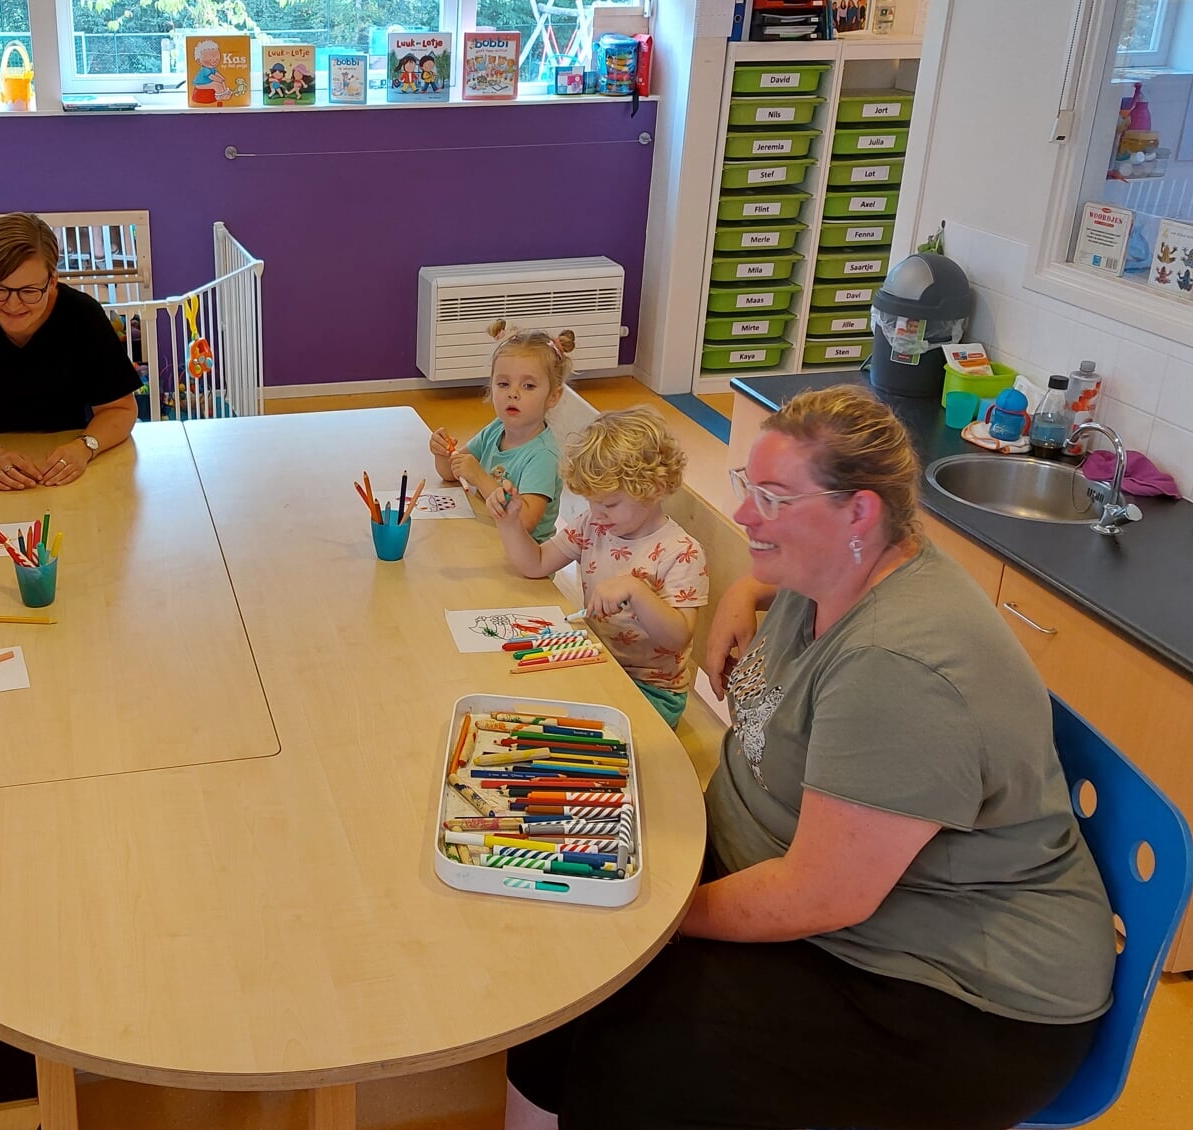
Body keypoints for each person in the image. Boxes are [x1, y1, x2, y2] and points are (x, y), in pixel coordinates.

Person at [505, 386, 1114, 1130]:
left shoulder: (899, 667)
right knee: (564, 972)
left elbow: (821, 897)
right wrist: (742, 596)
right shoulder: (841, 560)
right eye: (746, 488)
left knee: (635, 1050)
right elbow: (777, 566)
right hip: (793, 886)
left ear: (858, 511)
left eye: (771, 498)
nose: (742, 516)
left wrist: (651, 917)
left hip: (941, 988)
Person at [487, 407, 706, 728]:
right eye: (591, 502)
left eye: (610, 504)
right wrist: (509, 524)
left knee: (560, 733)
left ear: (655, 488)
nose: (597, 513)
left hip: (652, 691)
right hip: (594, 662)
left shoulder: (681, 552)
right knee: (519, 697)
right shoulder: (595, 525)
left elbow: (677, 638)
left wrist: (636, 590)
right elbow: (536, 564)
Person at [0, 213, 141, 491]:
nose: (13, 305)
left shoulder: (83, 317)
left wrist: (85, 447)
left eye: (29, 291)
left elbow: (120, 409)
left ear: (53, 279)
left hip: (70, 465)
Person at [430, 328, 571, 543]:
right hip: (487, 536)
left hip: (522, 562)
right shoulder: (497, 428)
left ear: (553, 396)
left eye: (528, 386)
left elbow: (525, 521)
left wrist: (479, 477)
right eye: (503, 384)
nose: (512, 393)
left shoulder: (543, 455)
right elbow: (451, 473)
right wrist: (443, 452)